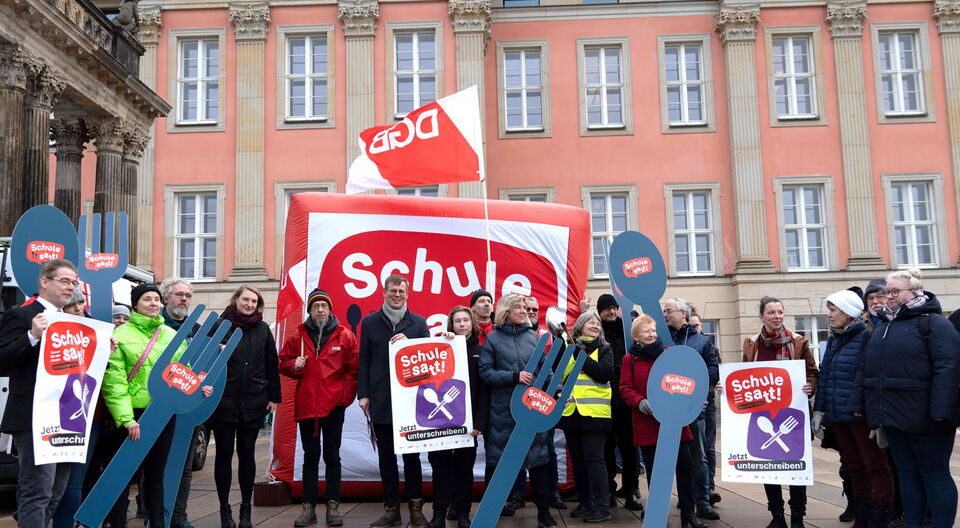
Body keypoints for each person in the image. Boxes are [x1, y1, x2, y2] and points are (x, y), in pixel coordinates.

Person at [851, 269, 960, 528]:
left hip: (929, 418)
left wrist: (941, 410)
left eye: (894, 291)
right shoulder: (882, 327)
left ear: (914, 292)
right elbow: (865, 369)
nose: (888, 297)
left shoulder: (934, 323)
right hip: (893, 416)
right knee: (908, 476)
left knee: (934, 475)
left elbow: (949, 367)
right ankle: (915, 524)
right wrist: (859, 405)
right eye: (885, 291)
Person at [102, 284, 212, 528]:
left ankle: (157, 523)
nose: (153, 303)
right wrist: (126, 419)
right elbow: (114, 382)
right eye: (146, 299)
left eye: (155, 299)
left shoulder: (170, 335)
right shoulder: (120, 335)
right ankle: (116, 522)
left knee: (156, 475)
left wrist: (198, 388)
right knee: (123, 476)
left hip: (162, 413)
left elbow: (185, 371)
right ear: (135, 305)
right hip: (133, 416)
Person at [0, 259, 79, 527]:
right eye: (65, 281)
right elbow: (1, 360)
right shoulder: (20, 315)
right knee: (38, 491)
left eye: (74, 282)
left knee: (55, 492)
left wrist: (102, 351)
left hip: (67, 417)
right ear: (45, 282)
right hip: (33, 418)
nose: (71, 287)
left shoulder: (71, 321)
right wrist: (31, 336)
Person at [813, 289, 894, 528]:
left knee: (875, 466)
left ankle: (880, 518)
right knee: (855, 466)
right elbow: (825, 376)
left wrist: (874, 418)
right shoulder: (836, 338)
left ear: (848, 313)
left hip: (860, 416)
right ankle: (863, 515)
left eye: (833, 309)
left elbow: (871, 378)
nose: (829, 314)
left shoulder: (867, 337)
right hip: (838, 416)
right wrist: (820, 410)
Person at [280, 288, 358, 527]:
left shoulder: (345, 336)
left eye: (324, 306)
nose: (320, 310)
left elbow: (352, 371)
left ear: (330, 309)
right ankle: (308, 508)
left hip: (334, 407)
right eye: (316, 307)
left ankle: (333, 507)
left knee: (332, 457)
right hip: (307, 406)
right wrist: (295, 364)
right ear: (310, 311)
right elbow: (282, 362)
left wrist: (343, 399)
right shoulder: (297, 335)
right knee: (310, 458)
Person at [358, 275, 431, 528]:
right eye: (393, 290)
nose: (397, 294)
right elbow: (364, 361)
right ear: (384, 292)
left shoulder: (419, 323)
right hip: (381, 400)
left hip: (411, 403)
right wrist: (363, 394)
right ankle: (391, 510)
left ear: (407, 294)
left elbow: (428, 360)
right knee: (386, 459)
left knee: (412, 458)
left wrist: (410, 345)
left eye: (401, 290)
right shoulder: (370, 322)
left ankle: (416, 510)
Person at [479, 293, 557, 528]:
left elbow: (547, 371)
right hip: (502, 412)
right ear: (507, 311)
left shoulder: (534, 338)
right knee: (498, 463)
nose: (525, 311)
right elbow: (485, 372)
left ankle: (544, 512)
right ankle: (490, 509)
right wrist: (513, 376)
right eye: (520, 308)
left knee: (538, 461)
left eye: (526, 308)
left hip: (530, 410)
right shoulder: (492, 340)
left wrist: (558, 389)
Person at [619, 315, 706, 528]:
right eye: (647, 331)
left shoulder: (670, 355)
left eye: (653, 330)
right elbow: (625, 388)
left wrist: (694, 401)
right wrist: (640, 402)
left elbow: (687, 381)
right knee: (656, 473)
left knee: (684, 469)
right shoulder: (629, 360)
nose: (652, 334)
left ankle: (688, 513)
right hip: (648, 423)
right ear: (636, 336)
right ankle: (658, 512)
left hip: (675, 423)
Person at [742, 296, 818, 528]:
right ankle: (777, 516)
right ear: (762, 316)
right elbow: (744, 376)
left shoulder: (798, 342)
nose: (777, 317)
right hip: (764, 414)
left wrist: (810, 385)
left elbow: (812, 372)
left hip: (793, 414)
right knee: (768, 467)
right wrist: (725, 387)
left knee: (796, 465)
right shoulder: (752, 343)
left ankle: (797, 518)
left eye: (780, 312)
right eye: (772, 313)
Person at [210, 285, 282, 528]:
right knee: (222, 456)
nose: (250, 304)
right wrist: (215, 351)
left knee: (247, 455)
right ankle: (224, 510)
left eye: (254, 301)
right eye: (246, 299)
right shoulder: (220, 326)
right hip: (223, 400)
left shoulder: (262, 329)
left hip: (254, 399)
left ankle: (245, 511)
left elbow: (271, 364)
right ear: (236, 300)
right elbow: (204, 360)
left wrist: (273, 396)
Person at [428, 306, 489, 528]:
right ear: (451, 325)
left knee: (464, 471)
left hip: (468, 424)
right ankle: (438, 514)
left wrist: (480, 422)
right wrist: (445, 345)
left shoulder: (480, 352)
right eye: (457, 321)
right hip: (440, 425)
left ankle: (463, 513)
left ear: (472, 324)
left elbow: (484, 391)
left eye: (466, 320)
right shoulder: (440, 348)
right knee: (440, 470)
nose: (462, 324)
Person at [663, 298, 719, 521]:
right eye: (664, 311)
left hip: (694, 409)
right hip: (668, 409)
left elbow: (713, 370)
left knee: (698, 456)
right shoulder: (662, 340)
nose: (665, 314)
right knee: (668, 459)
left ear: (683, 314)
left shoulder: (702, 342)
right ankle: (671, 500)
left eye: (669, 310)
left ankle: (702, 500)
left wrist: (699, 392)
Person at [559, 311, 613, 523]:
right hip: (572, 412)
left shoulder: (604, 349)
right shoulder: (567, 348)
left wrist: (579, 356)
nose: (595, 325)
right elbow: (561, 374)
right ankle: (585, 502)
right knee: (578, 461)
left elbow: (604, 374)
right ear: (579, 326)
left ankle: (601, 506)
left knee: (594, 460)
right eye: (590, 322)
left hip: (595, 414)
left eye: (597, 323)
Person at [595, 294, 643, 511]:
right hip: (604, 400)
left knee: (630, 448)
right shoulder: (597, 333)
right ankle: (610, 490)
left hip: (626, 401)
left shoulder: (628, 333)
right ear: (600, 311)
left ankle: (631, 490)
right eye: (607, 309)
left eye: (614, 308)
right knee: (606, 449)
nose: (611, 311)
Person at [686, 312, 719, 506]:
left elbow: (716, 372)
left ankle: (709, 487)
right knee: (696, 451)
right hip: (692, 403)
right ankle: (696, 491)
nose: (695, 327)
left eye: (697, 324)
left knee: (707, 448)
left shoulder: (707, 345)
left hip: (708, 402)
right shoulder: (683, 343)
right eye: (692, 324)